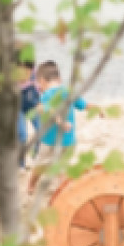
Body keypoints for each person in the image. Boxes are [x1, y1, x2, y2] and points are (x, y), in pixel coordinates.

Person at [27, 61, 95, 193]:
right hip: (68, 141)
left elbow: (50, 110)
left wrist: (60, 122)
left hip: (49, 141)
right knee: (62, 167)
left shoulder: (46, 95)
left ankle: (31, 186)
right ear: (59, 79)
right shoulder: (69, 92)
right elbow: (84, 105)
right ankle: (64, 190)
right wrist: (97, 109)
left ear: (41, 81)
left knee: (40, 165)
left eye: (39, 84)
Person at [15, 48, 40, 170]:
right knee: (22, 135)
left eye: (29, 70)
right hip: (17, 108)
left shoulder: (35, 74)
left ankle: (36, 157)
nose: (26, 73)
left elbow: (42, 89)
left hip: (33, 105)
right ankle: (20, 164)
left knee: (41, 130)